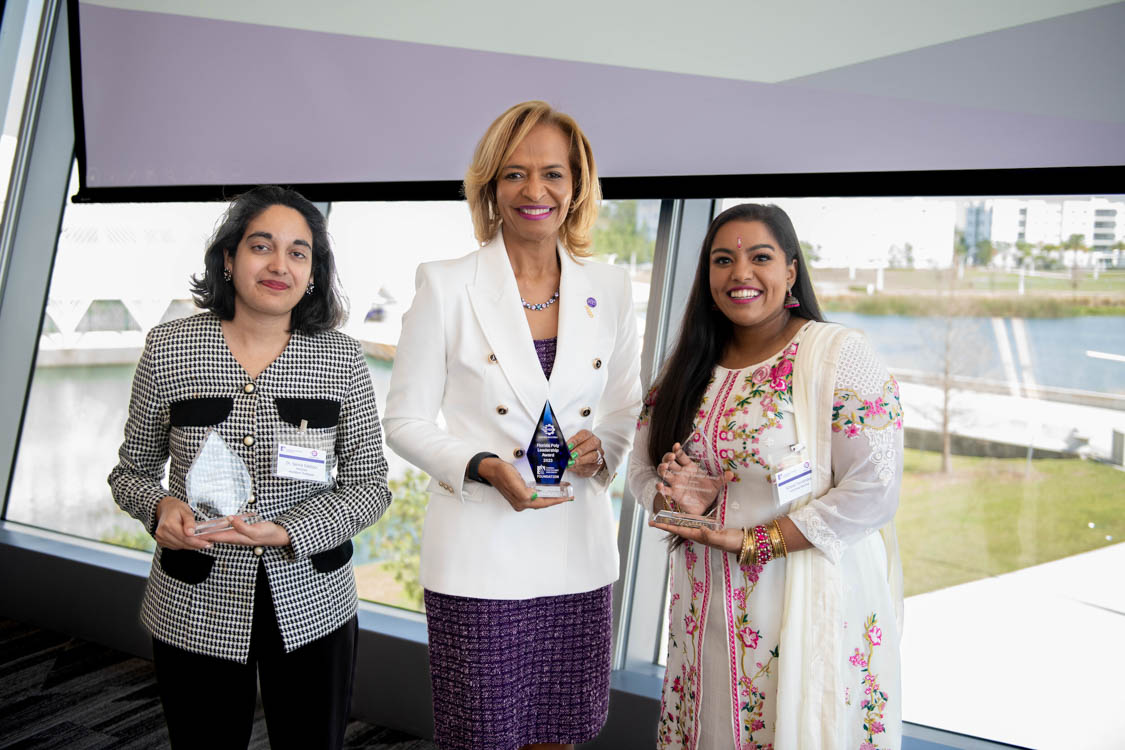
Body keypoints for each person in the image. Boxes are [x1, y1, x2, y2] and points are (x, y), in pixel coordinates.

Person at [383, 101, 642, 750]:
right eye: (515, 174)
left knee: (560, 733)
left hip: (575, 550)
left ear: (577, 186)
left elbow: (624, 407)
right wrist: (480, 465)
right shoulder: (445, 285)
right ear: (490, 187)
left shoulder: (609, 287)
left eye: (553, 173)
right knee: (483, 736)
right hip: (480, 554)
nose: (535, 191)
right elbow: (405, 420)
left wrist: (600, 448)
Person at [108, 186, 392, 750]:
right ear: (229, 259)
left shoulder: (340, 358)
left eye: (298, 252)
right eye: (262, 246)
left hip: (314, 599)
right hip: (195, 599)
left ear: (313, 273)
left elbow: (370, 488)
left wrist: (290, 529)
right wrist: (160, 506)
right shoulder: (169, 348)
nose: (279, 265)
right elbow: (130, 473)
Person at [629, 203, 904, 749]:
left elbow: (875, 490)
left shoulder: (837, 357)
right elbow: (641, 471)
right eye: (722, 260)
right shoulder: (688, 365)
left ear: (791, 271)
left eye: (760, 257)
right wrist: (678, 499)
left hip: (798, 600)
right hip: (701, 605)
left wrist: (755, 541)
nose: (740, 274)